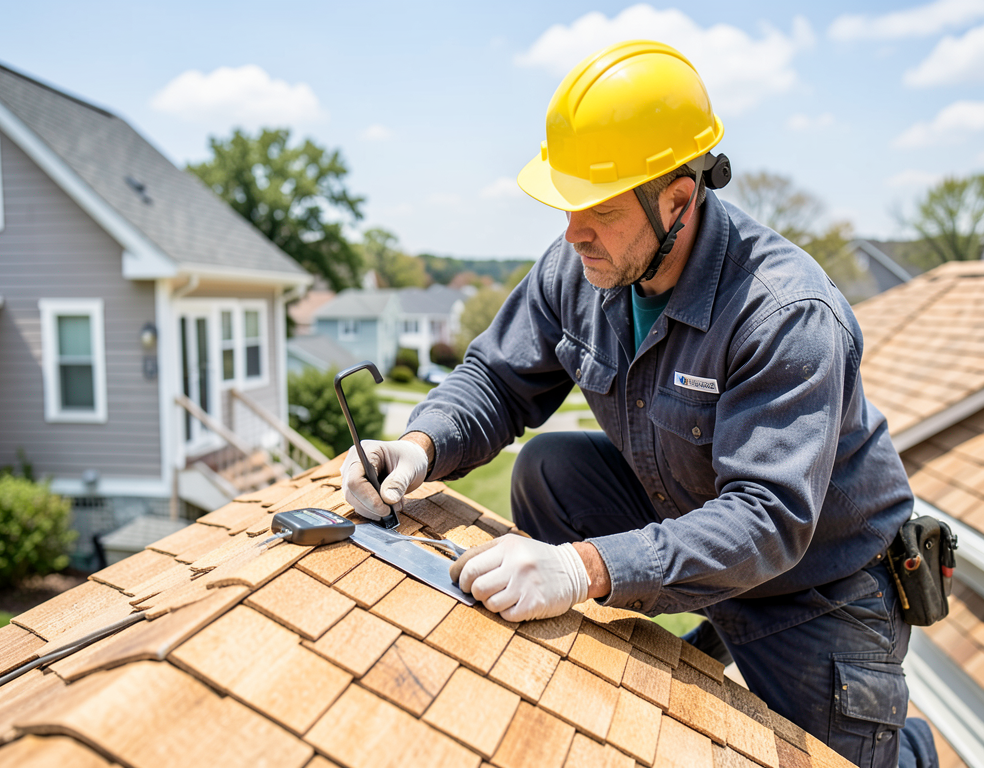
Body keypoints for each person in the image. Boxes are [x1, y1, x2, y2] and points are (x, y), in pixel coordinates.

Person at [341, 40, 937, 768]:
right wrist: (420, 446)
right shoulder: (582, 266)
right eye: (567, 205)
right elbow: (497, 378)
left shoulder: (785, 312)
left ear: (679, 202)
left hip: (816, 588)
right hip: (698, 519)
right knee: (550, 469)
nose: (571, 232)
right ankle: (689, 626)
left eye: (600, 211)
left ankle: (901, 746)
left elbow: (766, 520)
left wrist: (583, 568)